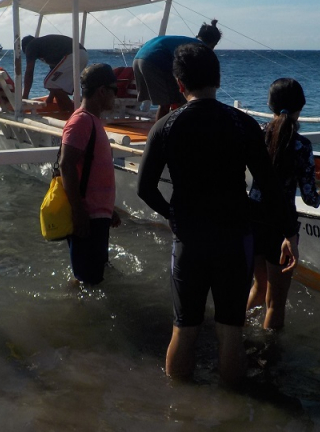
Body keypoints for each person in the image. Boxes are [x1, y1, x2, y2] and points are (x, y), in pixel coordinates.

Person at [136, 43, 282, 386]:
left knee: (184, 329)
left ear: (178, 83)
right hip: (234, 237)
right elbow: (269, 186)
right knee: (230, 330)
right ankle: (233, 406)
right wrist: (255, 215)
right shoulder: (243, 124)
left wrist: (171, 213)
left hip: (190, 236)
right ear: (217, 79)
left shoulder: (166, 127)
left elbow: (145, 188)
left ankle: (179, 409)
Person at [246, 78, 320, 329]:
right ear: (300, 107)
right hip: (282, 227)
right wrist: (318, 198)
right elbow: (310, 196)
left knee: (258, 287)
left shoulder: (257, 135)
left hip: (252, 218)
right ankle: (269, 359)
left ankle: (235, 334)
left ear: (270, 106)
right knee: (276, 303)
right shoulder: (302, 145)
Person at [59, 64, 122, 285]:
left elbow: (92, 170)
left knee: (95, 277)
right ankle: (78, 317)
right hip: (87, 217)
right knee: (87, 281)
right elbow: (66, 165)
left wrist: (107, 209)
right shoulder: (81, 121)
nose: (117, 96)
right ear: (102, 91)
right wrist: (78, 211)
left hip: (96, 215)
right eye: (115, 90)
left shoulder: (92, 121)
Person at [132, 20, 221, 120]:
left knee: (172, 100)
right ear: (214, 44)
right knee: (168, 104)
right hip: (154, 61)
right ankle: (163, 133)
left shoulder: (185, 40)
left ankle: (171, 128)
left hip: (138, 58)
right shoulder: (199, 48)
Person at [22, 34, 89, 112]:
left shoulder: (31, 45)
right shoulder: (47, 49)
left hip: (73, 54)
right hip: (82, 54)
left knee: (49, 83)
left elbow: (29, 72)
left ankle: (75, 114)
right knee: (56, 85)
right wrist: (50, 99)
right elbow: (55, 80)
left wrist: (24, 97)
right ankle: (64, 112)